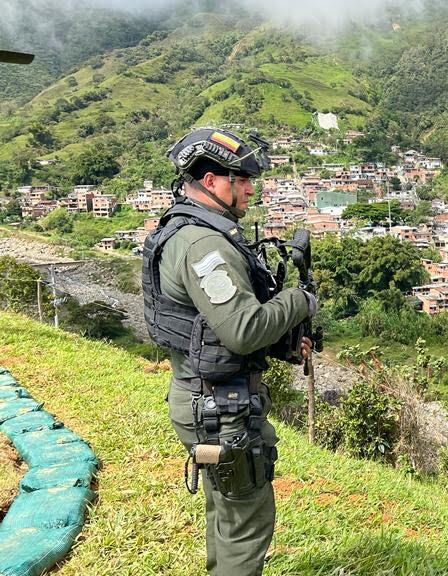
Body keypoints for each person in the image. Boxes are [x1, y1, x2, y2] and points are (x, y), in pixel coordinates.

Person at [141, 127, 316, 575]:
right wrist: (300, 299)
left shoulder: (186, 232)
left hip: (209, 399)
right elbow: (241, 329)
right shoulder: (204, 245)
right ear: (214, 180)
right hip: (221, 409)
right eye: (242, 180)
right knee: (245, 526)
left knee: (226, 513)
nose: (251, 189)